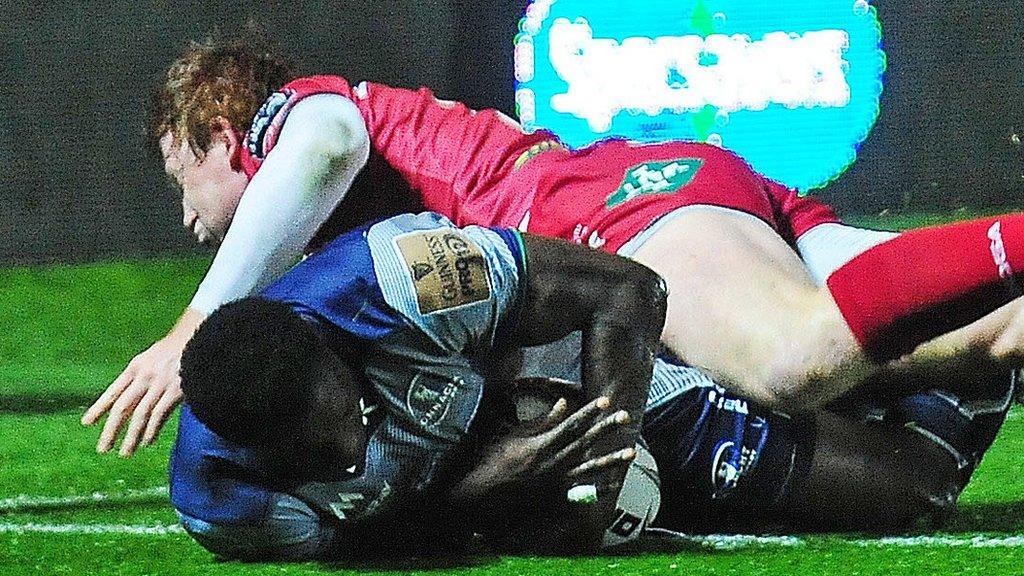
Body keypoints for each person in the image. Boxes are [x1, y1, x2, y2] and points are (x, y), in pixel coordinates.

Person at [83, 36, 1024, 456]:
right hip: (661, 190)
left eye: (182, 181)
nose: (186, 218)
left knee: (790, 364)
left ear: (219, 126)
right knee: (983, 334)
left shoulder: (298, 116)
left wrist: (195, 324)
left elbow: (325, 146)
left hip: (610, 211)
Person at [170, 211, 1015, 559]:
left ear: (331, 348)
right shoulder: (220, 501)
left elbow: (627, 291)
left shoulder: (405, 282)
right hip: (499, 456)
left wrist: (601, 456)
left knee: (899, 484)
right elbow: (372, 547)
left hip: (571, 353)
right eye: (322, 456)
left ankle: (993, 336)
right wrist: (476, 494)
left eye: (349, 415)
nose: (357, 448)